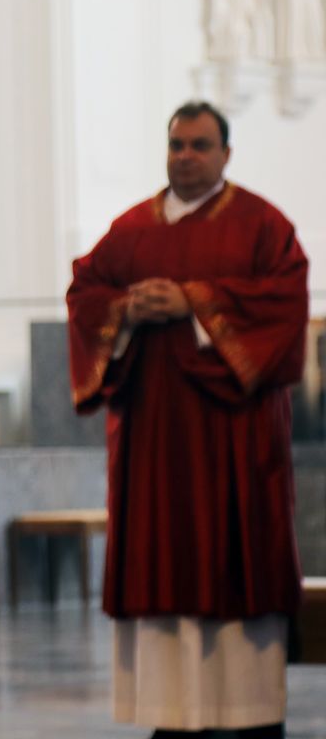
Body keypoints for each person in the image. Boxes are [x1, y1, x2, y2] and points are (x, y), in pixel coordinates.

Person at [67, 101, 308, 739]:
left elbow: (285, 311)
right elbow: (86, 294)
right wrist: (124, 309)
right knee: (161, 562)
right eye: (176, 145)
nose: (186, 157)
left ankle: (254, 717)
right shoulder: (130, 230)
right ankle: (170, 721)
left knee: (238, 564)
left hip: (236, 444)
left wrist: (195, 302)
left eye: (200, 145)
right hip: (154, 446)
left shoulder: (263, 227)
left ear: (226, 153)